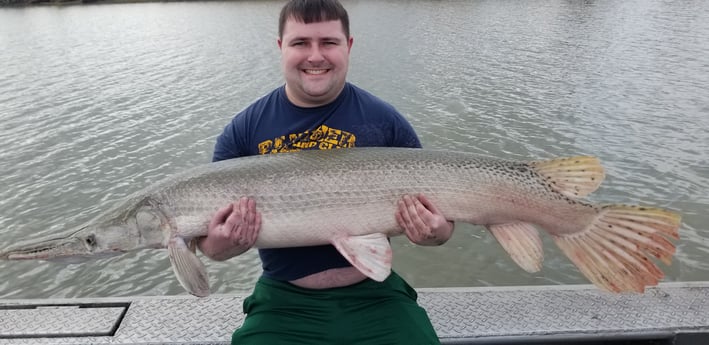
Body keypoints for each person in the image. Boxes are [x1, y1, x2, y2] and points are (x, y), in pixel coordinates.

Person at [198, 0, 455, 344]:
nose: (315, 56)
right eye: (300, 42)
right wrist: (224, 243)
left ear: (348, 46)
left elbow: (441, 228)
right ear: (281, 47)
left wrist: (434, 232)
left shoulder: (386, 121)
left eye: (329, 42)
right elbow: (213, 250)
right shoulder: (243, 131)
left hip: (376, 293)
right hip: (282, 301)